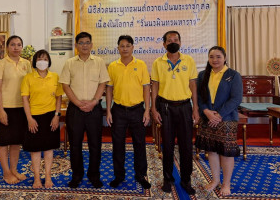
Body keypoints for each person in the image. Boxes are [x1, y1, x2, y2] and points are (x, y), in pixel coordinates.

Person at [151, 30, 199, 195]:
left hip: (185, 107)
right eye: (169, 40)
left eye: (176, 39)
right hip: (165, 107)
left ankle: (186, 180)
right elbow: (155, 87)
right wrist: (153, 108)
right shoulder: (158, 62)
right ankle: (167, 178)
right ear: (164, 44)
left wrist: (195, 108)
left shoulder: (189, 60)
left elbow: (193, 85)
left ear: (180, 42)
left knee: (186, 145)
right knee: (168, 145)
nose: (173, 42)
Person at [59, 32, 110, 188]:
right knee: (75, 145)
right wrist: (78, 103)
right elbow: (65, 85)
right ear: (76, 46)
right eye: (81, 43)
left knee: (95, 144)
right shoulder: (69, 63)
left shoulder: (99, 62)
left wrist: (94, 102)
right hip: (75, 109)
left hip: (94, 109)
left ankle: (94, 175)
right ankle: (77, 175)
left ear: (92, 45)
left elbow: (103, 83)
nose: (85, 45)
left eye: (87, 42)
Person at [195, 46, 242, 196]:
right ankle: (215, 180)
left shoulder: (233, 75)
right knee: (212, 150)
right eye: (212, 57)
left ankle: (226, 184)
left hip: (226, 119)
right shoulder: (203, 75)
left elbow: (236, 99)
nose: (215, 60)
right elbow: (200, 97)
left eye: (218, 57)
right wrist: (207, 112)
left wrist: (219, 115)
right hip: (207, 118)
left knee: (226, 153)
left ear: (225, 58)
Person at [106, 35, 151, 189]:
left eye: (127, 46)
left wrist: (147, 110)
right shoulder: (112, 66)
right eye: (122, 46)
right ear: (118, 48)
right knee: (118, 145)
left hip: (137, 110)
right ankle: (119, 175)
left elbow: (146, 87)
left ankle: (140, 175)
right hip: (118, 110)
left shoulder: (141, 64)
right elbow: (109, 89)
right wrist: (108, 111)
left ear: (133, 47)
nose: (124, 48)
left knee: (140, 144)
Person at [21, 49, 64, 189]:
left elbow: (59, 98)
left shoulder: (55, 77)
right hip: (34, 117)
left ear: (49, 61)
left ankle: (48, 177)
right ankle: (37, 179)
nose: (43, 62)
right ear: (35, 61)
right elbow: (25, 100)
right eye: (40, 59)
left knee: (49, 149)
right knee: (35, 149)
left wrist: (57, 116)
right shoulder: (28, 78)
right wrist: (29, 118)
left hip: (51, 117)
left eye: (45, 59)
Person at [0, 35, 32, 184]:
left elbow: (29, 86)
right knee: (3, 142)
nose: (16, 47)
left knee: (16, 141)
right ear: (7, 47)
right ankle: (6, 172)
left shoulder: (27, 64)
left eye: (19, 45)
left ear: (22, 47)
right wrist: (1, 110)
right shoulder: (1, 64)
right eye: (13, 45)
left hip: (21, 108)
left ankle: (14, 169)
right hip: (6, 108)